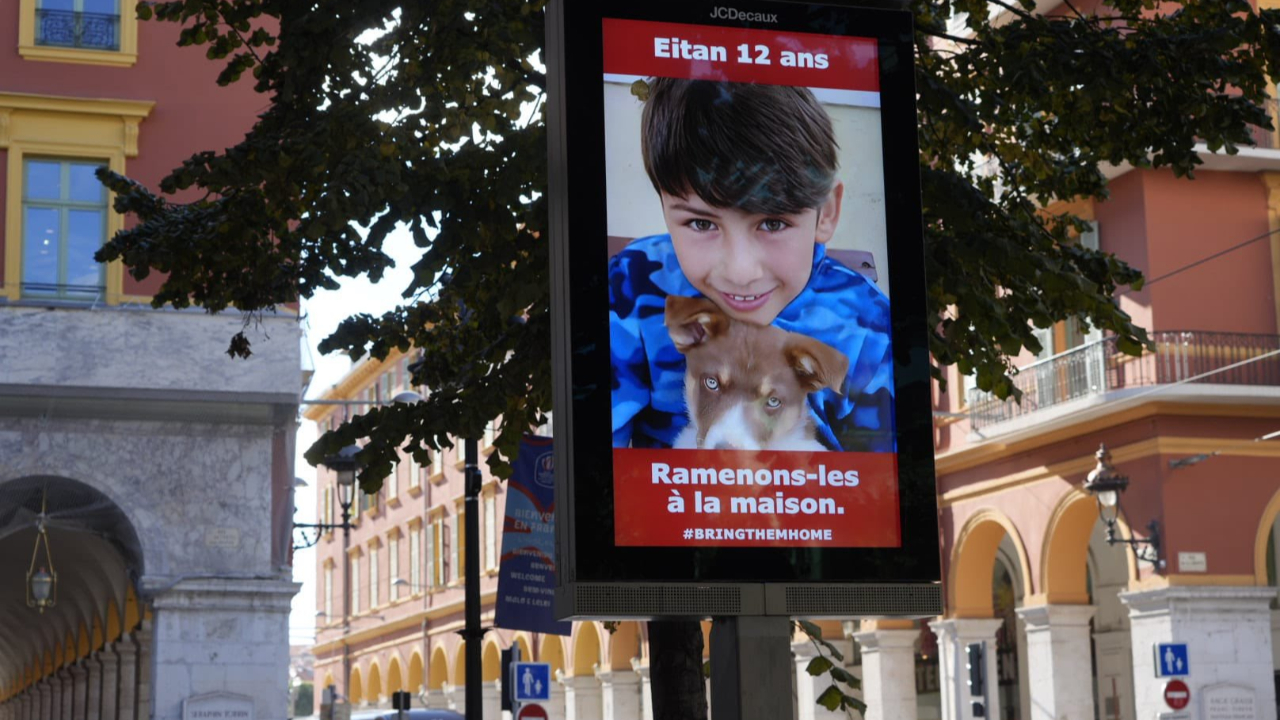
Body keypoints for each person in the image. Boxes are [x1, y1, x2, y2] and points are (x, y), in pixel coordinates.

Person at [610, 77, 894, 452]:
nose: (741, 272)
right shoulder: (634, 285)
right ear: (664, 205)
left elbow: (881, 494)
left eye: (773, 223)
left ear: (825, 212)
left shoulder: (867, 328)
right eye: (702, 223)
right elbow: (597, 478)